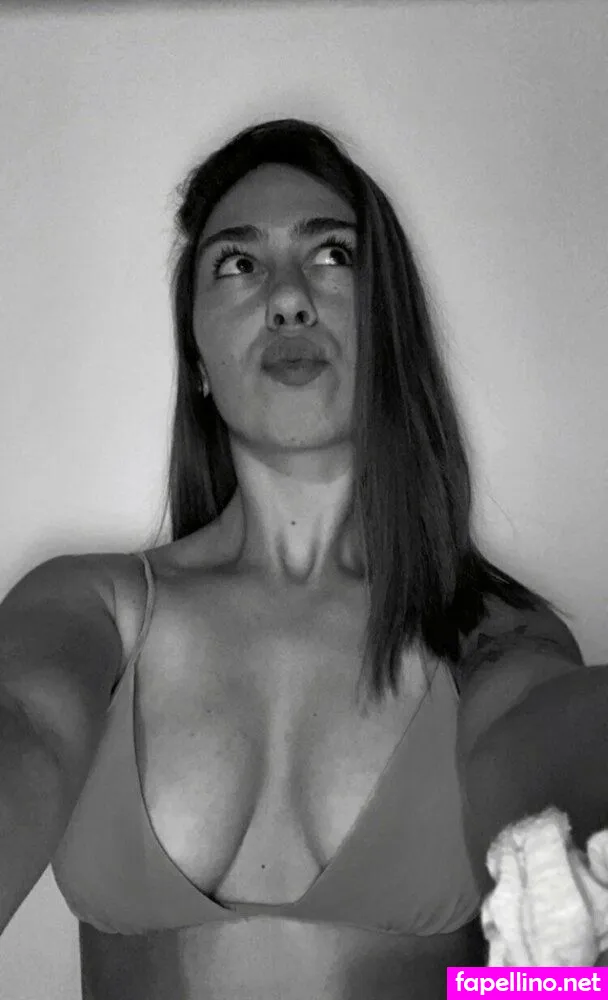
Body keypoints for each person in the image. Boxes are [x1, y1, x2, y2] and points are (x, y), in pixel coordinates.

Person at [0, 118, 605, 1000]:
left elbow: (550, 737)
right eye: (238, 264)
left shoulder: (490, 631)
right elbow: (22, 720)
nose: (288, 298)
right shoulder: (89, 607)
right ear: (197, 357)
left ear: (388, 329)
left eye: (332, 256)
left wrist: (563, 949)